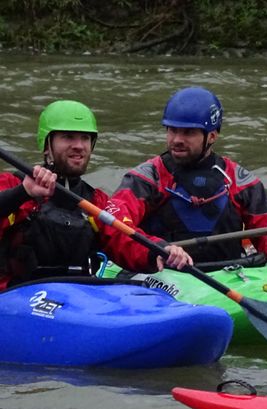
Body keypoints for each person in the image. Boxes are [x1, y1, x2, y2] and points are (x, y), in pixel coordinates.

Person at [0, 100, 186, 291]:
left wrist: (159, 250)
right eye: (68, 137)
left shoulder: (96, 202)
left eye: (85, 138)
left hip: (79, 295)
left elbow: (124, 238)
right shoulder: (12, 185)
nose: (79, 146)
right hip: (18, 295)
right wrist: (23, 192)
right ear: (47, 145)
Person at [105, 86, 267, 267]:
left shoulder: (239, 180)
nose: (177, 140)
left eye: (188, 132)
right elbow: (115, 227)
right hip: (164, 276)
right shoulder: (146, 178)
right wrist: (158, 248)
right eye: (172, 130)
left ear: (211, 136)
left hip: (229, 274)